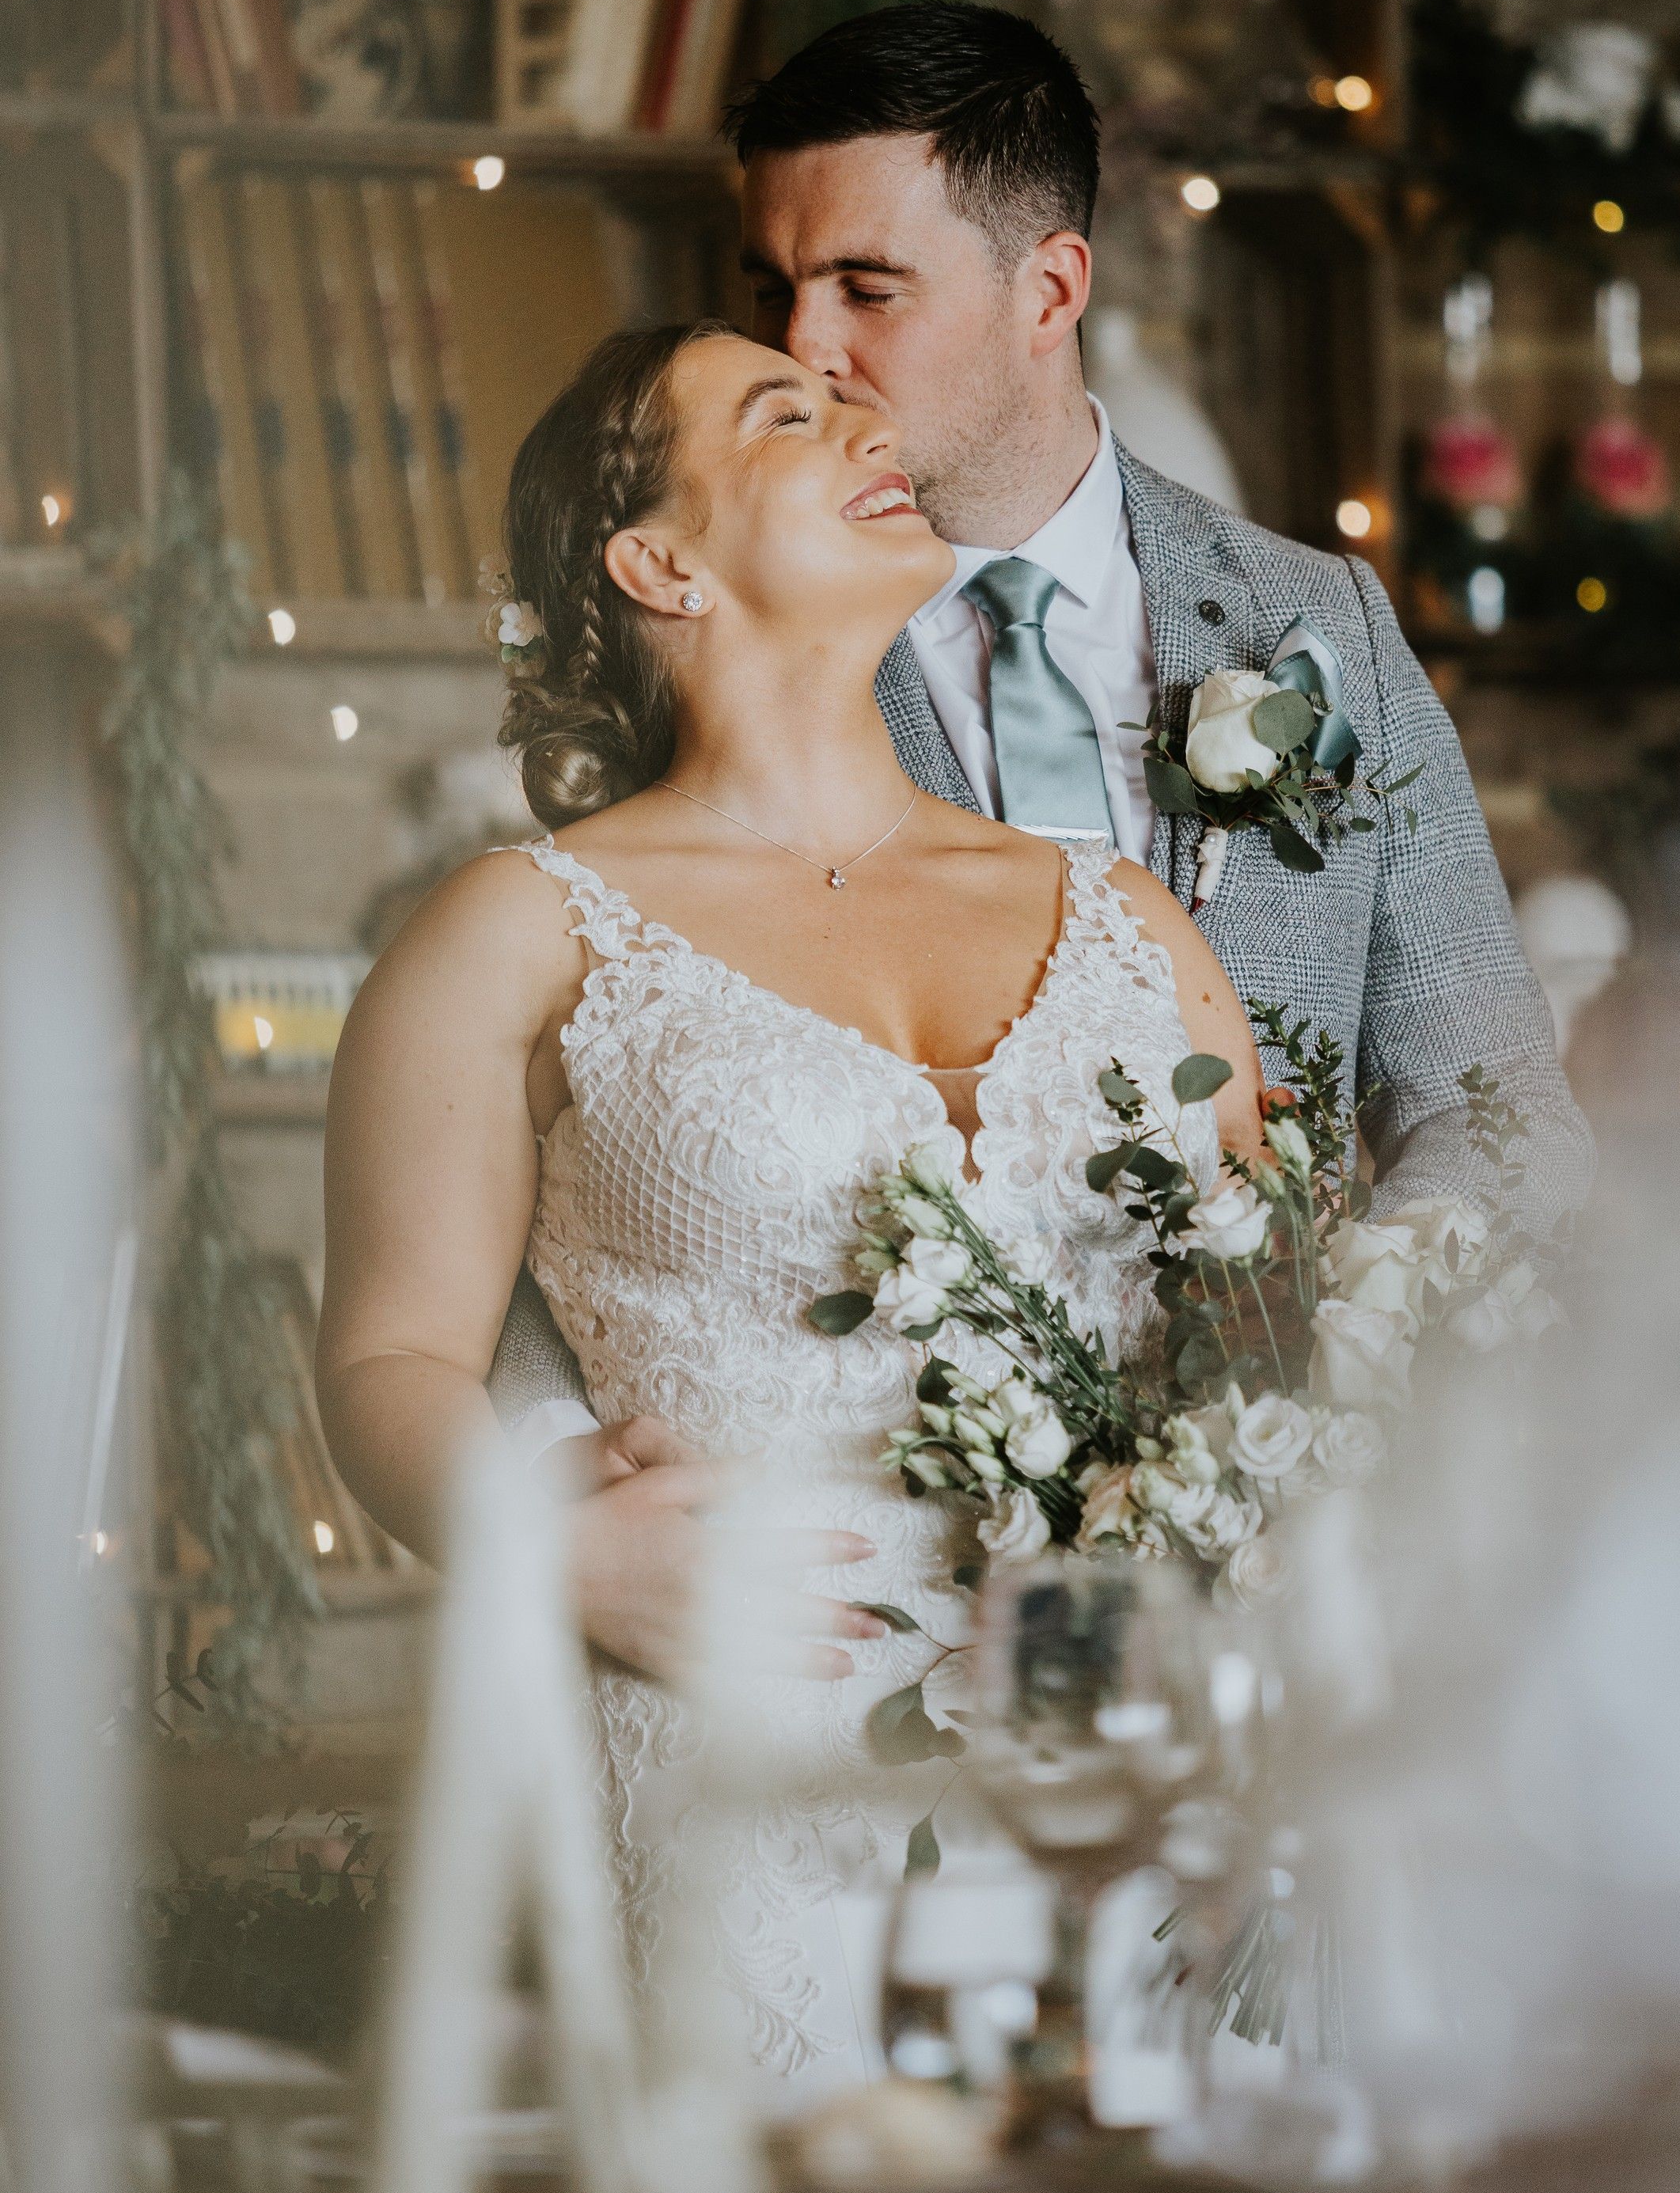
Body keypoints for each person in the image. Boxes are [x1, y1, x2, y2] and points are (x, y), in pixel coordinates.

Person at [317, 315, 1266, 2094]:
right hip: (742, 1750)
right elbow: (387, 1358)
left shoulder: (1130, 919)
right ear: (658, 563)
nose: (868, 423)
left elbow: (1279, 1319)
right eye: (786, 413)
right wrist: (549, 1543)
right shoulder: (512, 934)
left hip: (1124, 1746)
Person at [491, 0, 1592, 1466]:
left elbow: (1493, 1107)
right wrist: (553, 1482)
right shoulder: (727, 653)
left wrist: (1329, 1396)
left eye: (868, 289)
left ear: (1051, 289)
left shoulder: (1317, 626)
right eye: (774, 289)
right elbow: (571, 1179)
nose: (806, 348)